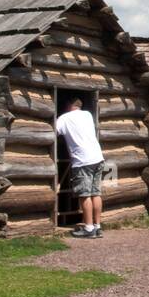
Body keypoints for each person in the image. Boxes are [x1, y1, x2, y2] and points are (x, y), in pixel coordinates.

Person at [54, 97, 105, 238]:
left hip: (83, 160)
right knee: (96, 193)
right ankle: (97, 226)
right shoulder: (87, 114)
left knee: (84, 194)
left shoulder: (64, 118)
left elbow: (53, 133)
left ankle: (88, 228)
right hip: (98, 157)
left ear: (69, 105)